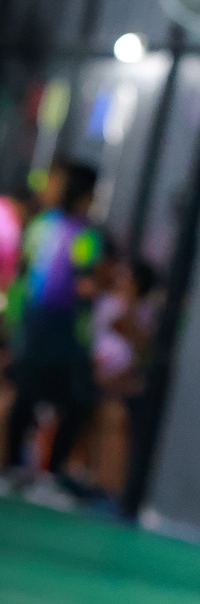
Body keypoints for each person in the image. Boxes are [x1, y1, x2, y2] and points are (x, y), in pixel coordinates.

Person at [2, 160, 102, 490]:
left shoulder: (47, 227)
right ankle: (32, 470)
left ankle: (26, 469)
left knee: (49, 398)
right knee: (60, 399)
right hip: (51, 327)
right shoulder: (74, 232)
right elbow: (83, 284)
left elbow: (25, 274)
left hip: (44, 326)